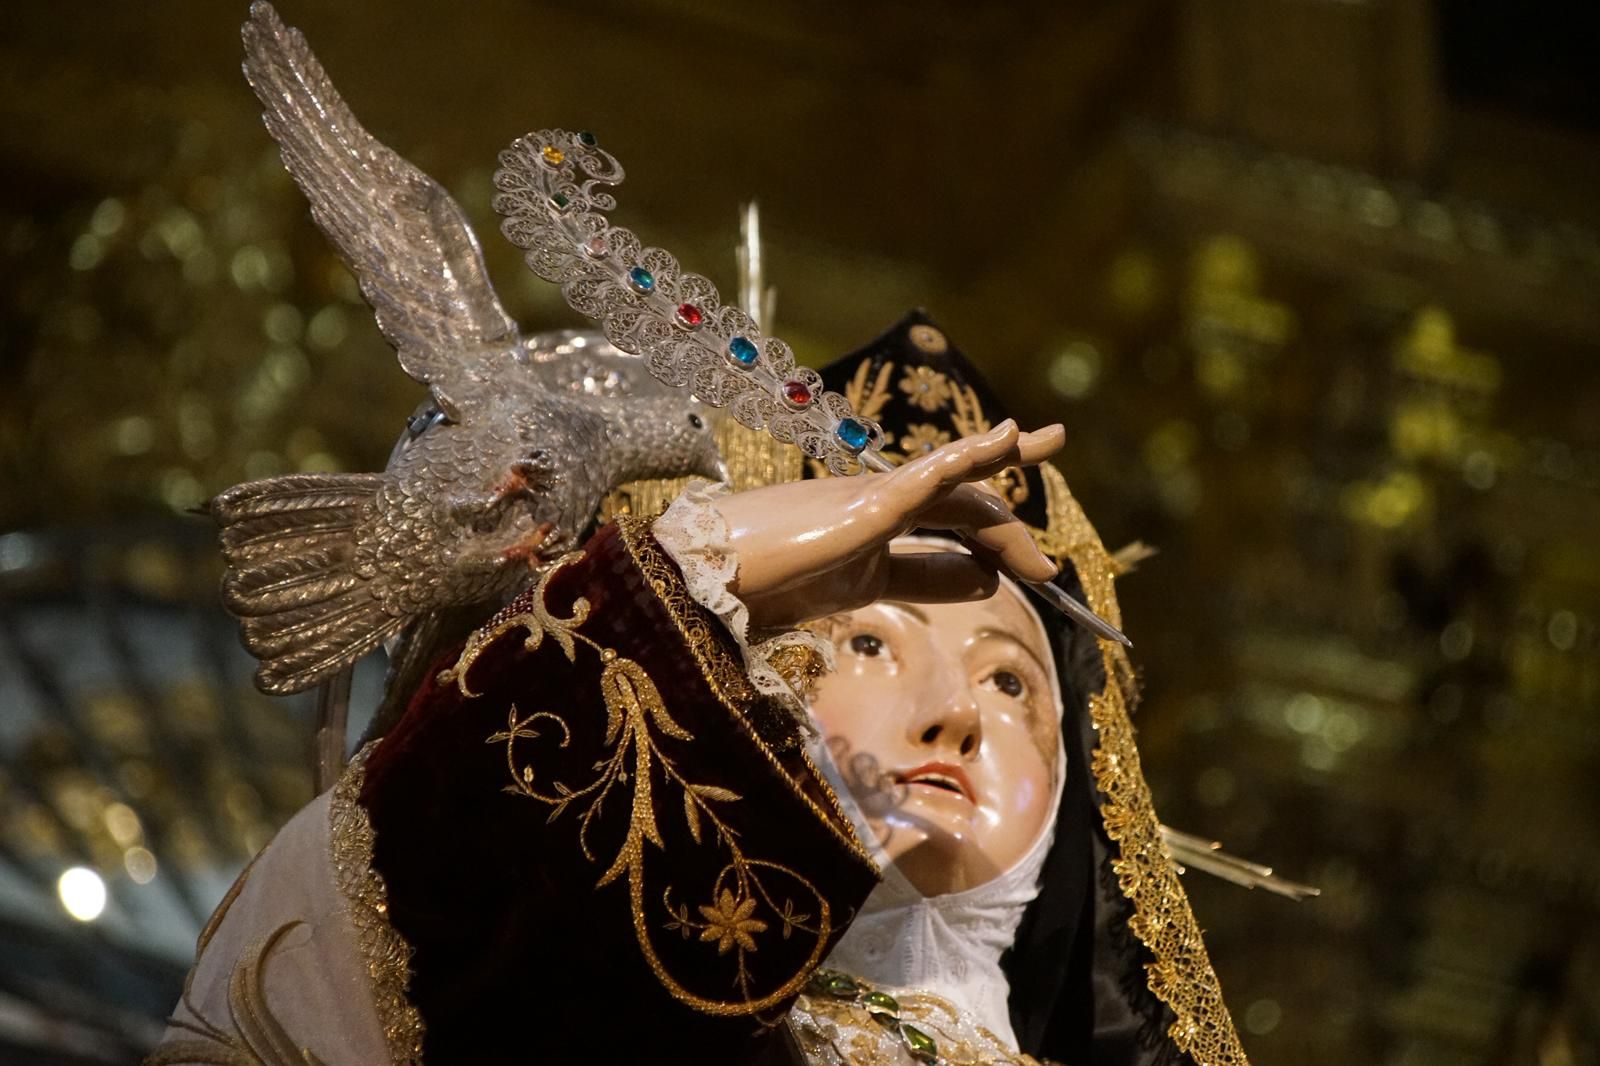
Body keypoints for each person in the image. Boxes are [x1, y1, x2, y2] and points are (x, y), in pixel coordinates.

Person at [152, 316, 1246, 1065]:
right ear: (737, 656)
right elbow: (443, 848)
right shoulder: (566, 985)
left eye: (1012, 679)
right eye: (866, 643)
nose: (952, 710)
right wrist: (710, 560)